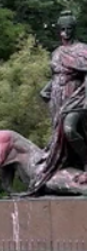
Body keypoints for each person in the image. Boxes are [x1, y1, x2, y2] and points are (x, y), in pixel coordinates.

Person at [29, 11, 87, 193]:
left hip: (77, 94)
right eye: (62, 29)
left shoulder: (82, 49)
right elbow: (57, 74)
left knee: (69, 129)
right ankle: (67, 163)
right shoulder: (57, 52)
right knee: (60, 133)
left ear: (74, 30)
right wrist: (47, 89)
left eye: (69, 29)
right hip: (58, 95)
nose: (66, 32)